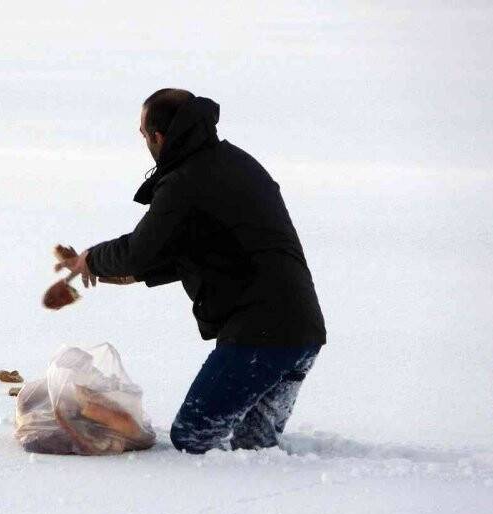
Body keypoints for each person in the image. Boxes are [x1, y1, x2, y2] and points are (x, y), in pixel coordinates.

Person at [55, 89, 326, 454]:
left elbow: (139, 250)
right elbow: (211, 245)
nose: (143, 141)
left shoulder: (186, 180)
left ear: (158, 136)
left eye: (143, 133)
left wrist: (91, 259)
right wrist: (139, 274)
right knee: (253, 446)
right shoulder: (234, 162)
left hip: (259, 335)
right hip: (301, 332)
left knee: (193, 437)